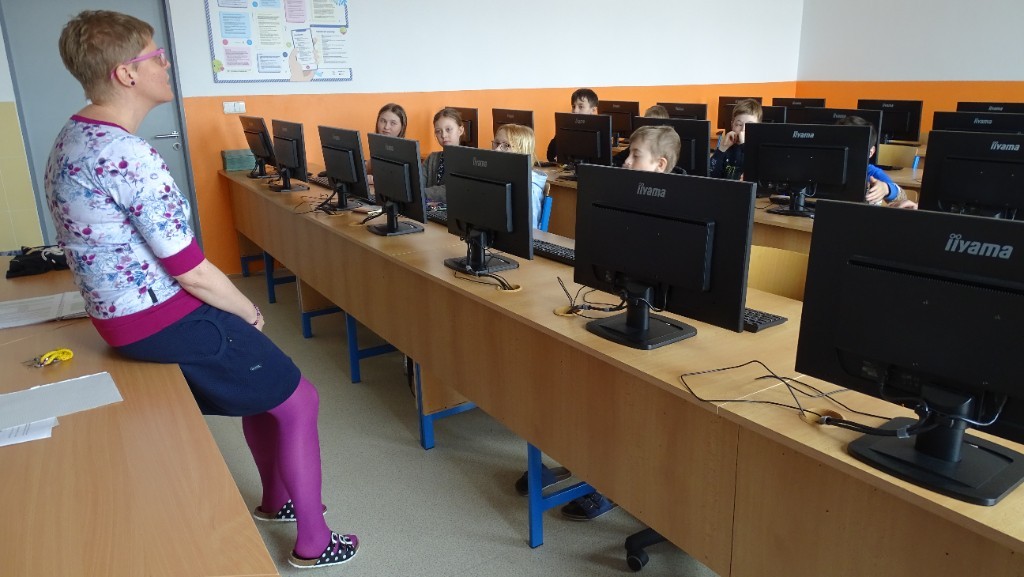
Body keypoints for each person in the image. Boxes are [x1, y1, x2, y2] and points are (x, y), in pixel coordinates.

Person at [45, 11, 358, 569]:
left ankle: (275, 501)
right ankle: (314, 542)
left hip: (123, 317)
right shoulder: (127, 155)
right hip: (157, 317)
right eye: (155, 56)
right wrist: (247, 309)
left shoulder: (74, 136)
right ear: (126, 74)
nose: (166, 63)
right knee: (299, 398)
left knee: (262, 384)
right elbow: (191, 271)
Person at [555, 124, 683, 522]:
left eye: (635, 156)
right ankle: (579, 460)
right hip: (632, 307)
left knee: (624, 394)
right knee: (582, 373)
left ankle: (614, 483)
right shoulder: (622, 200)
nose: (625, 162)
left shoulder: (683, 209)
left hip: (668, 322)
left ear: (660, 165)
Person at [835, 115, 907, 206]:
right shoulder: (828, 169)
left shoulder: (872, 172)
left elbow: (902, 198)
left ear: (871, 152)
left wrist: (886, 189)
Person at [492, 124, 549, 229]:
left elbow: (531, 231)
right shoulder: (495, 177)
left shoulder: (530, 189)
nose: (497, 150)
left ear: (522, 151)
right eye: (496, 143)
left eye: (506, 146)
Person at [709, 98, 762, 180]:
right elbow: (710, 174)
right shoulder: (727, 148)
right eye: (739, 124)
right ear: (732, 125)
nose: (743, 130)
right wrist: (721, 149)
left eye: (749, 125)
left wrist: (743, 146)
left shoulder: (759, 151)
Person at [422, 107, 465, 205]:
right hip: (430, 211)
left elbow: (452, 190)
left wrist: (420, 194)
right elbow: (417, 183)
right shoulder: (432, 158)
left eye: (448, 129)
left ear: (460, 130)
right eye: (438, 131)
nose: (443, 135)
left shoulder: (468, 161)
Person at [547, 88, 600, 163]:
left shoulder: (599, 129)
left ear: (593, 110)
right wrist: (561, 133)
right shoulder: (568, 127)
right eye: (573, 106)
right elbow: (550, 156)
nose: (575, 111)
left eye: (581, 107)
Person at [367, 103, 407, 185]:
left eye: (393, 123)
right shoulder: (378, 146)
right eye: (383, 121)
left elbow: (400, 181)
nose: (386, 127)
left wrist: (374, 179)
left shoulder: (405, 152)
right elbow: (368, 167)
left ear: (402, 126)